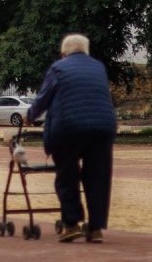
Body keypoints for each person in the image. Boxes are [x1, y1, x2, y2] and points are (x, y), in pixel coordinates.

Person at [27, 33, 116, 244]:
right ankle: (95, 229)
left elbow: (43, 98)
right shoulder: (99, 68)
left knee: (67, 175)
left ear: (63, 53)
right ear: (86, 51)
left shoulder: (58, 68)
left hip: (69, 127)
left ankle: (72, 224)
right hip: (103, 127)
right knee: (98, 178)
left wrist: (30, 115)